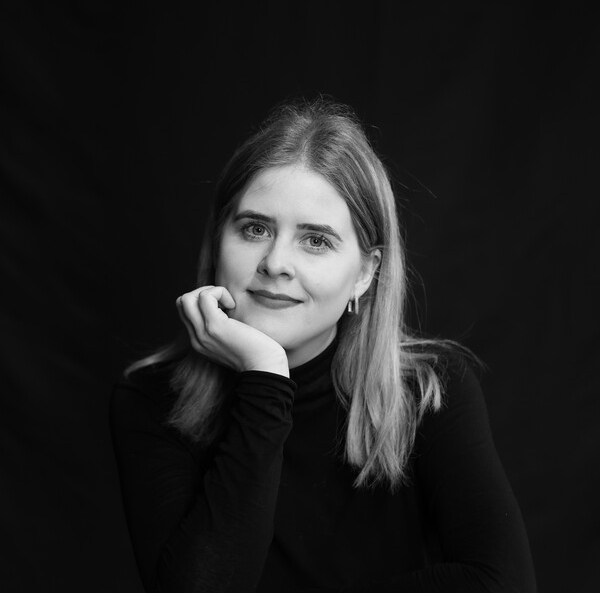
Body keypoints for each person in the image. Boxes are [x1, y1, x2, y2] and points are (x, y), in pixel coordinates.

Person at [110, 99, 537, 592]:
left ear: (365, 273)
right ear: (219, 240)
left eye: (315, 240)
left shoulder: (428, 391)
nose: (275, 263)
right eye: (255, 229)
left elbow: (502, 582)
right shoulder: (151, 399)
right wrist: (265, 377)